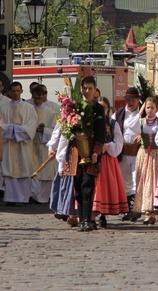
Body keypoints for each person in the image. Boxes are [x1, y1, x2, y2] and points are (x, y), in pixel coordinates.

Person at [60, 76, 107, 232]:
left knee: (88, 186)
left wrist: (96, 152)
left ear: (95, 90)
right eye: (85, 88)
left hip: (91, 151)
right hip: (76, 151)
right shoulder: (74, 106)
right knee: (78, 187)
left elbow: (101, 133)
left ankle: (87, 219)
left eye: (90, 88)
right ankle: (81, 219)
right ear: (80, 89)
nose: (87, 91)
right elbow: (66, 128)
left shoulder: (98, 108)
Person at [0, 81, 38, 205]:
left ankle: (23, 198)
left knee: (24, 170)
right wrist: (14, 128)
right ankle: (10, 199)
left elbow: (32, 125)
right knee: (10, 171)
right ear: (9, 92)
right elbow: (0, 125)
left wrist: (17, 129)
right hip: (9, 144)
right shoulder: (2, 108)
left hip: (23, 145)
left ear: (21, 91)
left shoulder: (29, 108)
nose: (15, 93)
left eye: (17, 91)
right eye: (13, 91)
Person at [92, 96, 129, 228]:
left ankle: (102, 214)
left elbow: (119, 144)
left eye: (104, 108)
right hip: (93, 159)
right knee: (94, 188)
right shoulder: (91, 122)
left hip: (107, 160)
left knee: (105, 188)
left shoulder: (113, 124)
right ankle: (91, 215)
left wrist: (107, 146)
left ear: (108, 109)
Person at [133, 97, 158, 225]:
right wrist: (140, 111)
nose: (149, 110)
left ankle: (152, 212)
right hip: (144, 154)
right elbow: (131, 126)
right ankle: (146, 211)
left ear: (157, 109)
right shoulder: (141, 121)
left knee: (154, 183)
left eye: (152, 107)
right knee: (144, 182)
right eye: (147, 107)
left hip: (157, 155)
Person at [114, 86, 142, 221]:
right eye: (128, 100)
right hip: (124, 153)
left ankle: (135, 209)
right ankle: (128, 210)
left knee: (136, 180)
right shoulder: (119, 114)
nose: (130, 103)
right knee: (126, 182)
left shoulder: (144, 114)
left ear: (138, 100)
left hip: (138, 153)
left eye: (133, 100)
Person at [29, 84, 59, 204]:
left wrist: (44, 130)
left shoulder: (50, 112)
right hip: (31, 144)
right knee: (31, 170)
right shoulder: (28, 108)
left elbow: (55, 130)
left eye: (40, 98)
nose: (37, 101)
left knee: (45, 172)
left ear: (43, 97)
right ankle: (32, 195)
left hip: (44, 144)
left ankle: (44, 197)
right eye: (35, 98)